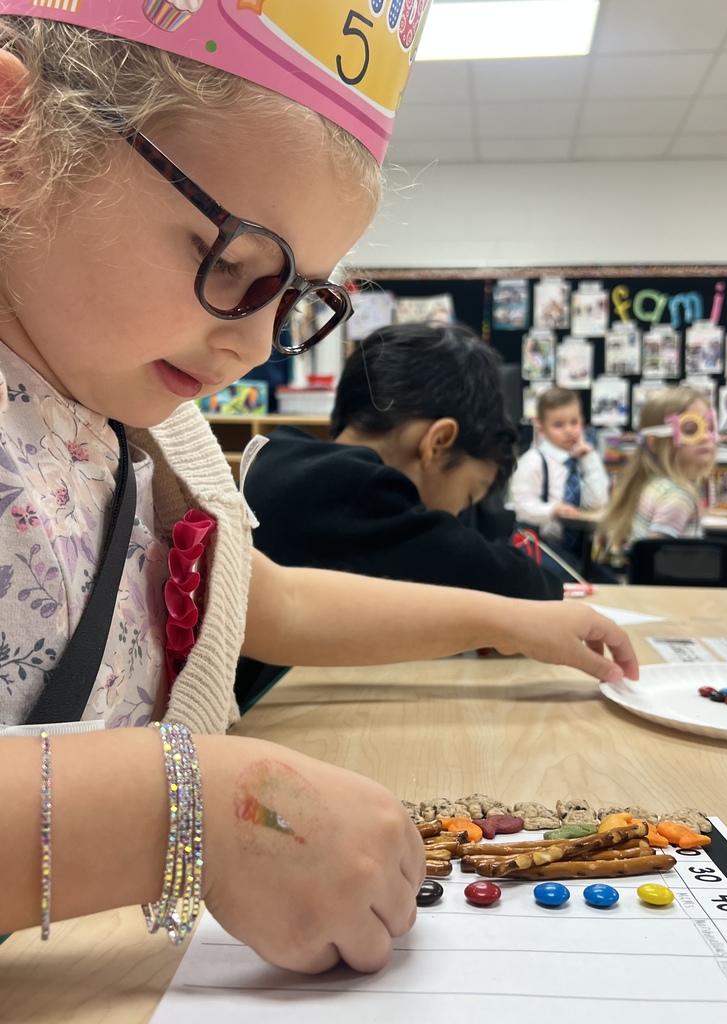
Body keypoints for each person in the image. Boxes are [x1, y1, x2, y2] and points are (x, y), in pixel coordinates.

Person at [0, 5, 638, 972]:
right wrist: (189, 809)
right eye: (233, 265)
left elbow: (266, 598)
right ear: (18, 134)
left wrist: (518, 623)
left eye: (296, 299)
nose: (255, 346)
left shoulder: (135, 422)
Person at [238, 322, 563, 706]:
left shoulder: (282, 456)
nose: (459, 515)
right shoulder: (359, 492)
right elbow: (530, 591)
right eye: (469, 495)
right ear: (437, 442)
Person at [596, 388, 717, 561]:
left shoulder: (652, 484)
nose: (706, 437)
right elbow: (655, 556)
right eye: (691, 429)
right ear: (655, 443)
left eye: (710, 427)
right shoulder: (677, 496)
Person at [509, 387, 611, 580]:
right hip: (537, 543)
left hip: (574, 549)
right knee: (572, 579)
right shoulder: (533, 461)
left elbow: (596, 502)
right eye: (558, 425)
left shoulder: (581, 461)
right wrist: (552, 510)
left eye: (574, 422)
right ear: (541, 427)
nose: (569, 430)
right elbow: (522, 506)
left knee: (607, 581)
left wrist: (590, 461)